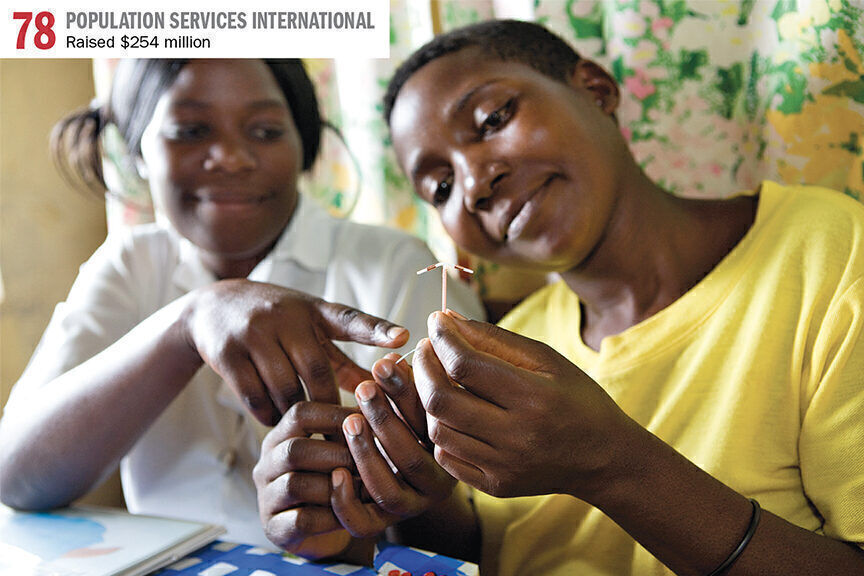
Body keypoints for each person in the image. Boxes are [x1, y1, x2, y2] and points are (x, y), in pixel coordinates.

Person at [255, 20, 864, 575]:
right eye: (439, 186)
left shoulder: (833, 256)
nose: (474, 184)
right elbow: (502, 546)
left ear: (596, 90)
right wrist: (401, 497)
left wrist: (614, 465)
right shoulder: (513, 341)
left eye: (493, 119)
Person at [0, 58, 483, 547]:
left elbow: (462, 531)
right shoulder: (130, 266)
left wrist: (356, 525)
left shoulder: (395, 268)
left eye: (266, 130)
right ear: (136, 150)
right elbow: (15, 476)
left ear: (306, 147)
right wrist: (189, 322)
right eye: (190, 130)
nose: (231, 157)